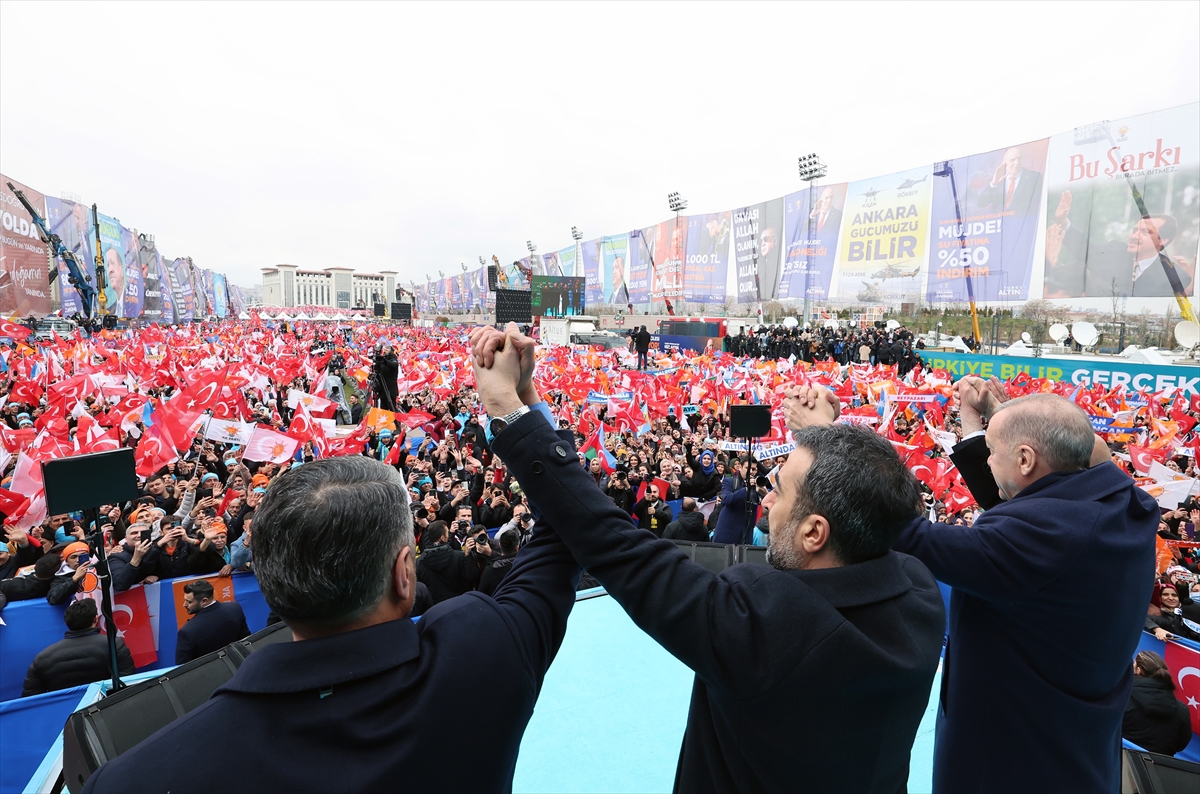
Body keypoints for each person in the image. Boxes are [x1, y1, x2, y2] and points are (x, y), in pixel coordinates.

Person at [469, 323, 944, 792]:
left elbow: (612, 542)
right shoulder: (920, 598)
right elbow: (871, 505)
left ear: (814, 533)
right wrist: (824, 437)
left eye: (779, 491)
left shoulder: (762, 630)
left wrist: (508, 407)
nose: (767, 502)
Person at [82, 454, 580, 793]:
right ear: (404, 574)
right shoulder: (487, 651)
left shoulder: (135, 780)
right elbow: (563, 530)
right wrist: (515, 407)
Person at [877, 376, 1159, 792]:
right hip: (1080, 750)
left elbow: (908, 535)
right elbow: (1070, 462)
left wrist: (825, 437)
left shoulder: (1041, 538)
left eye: (991, 452)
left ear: (1025, 459)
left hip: (1013, 760)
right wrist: (996, 419)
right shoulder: (1129, 505)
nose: (987, 462)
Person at [22, 599, 135, 697]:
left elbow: (31, 700)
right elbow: (129, 684)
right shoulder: (113, 644)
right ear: (96, 619)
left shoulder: (42, 658)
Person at [1122, 650, 1193, 756]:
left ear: (1139, 670)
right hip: (1157, 765)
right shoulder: (1182, 709)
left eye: (1134, 664)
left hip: (1119, 760)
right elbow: (1180, 744)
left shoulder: (1121, 698)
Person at [175, 579, 251, 665]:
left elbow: (183, 668)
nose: (184, 604)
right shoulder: (235, 608)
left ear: (204, 601)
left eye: (189, 602)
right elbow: (245, 642)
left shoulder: (187, 632)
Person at [372, 343, 400, 411]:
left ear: (391, 351)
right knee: (383, 409)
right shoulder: (383, 359)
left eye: (386, 350)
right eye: (384, 350)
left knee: (392, 409)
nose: (384, 351)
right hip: (382, 390)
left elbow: (394, 365)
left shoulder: (393, 359)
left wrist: (384, 361)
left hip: (390, 390)